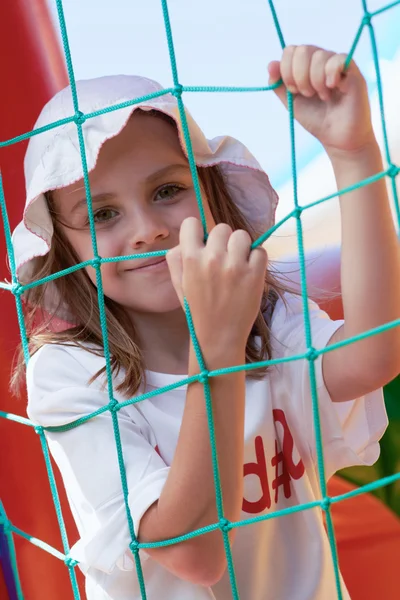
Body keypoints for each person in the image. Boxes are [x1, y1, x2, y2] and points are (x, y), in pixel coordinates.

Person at [11, 46, 399, 600]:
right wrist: (214, 349)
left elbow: (375, 355)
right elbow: (196, 554)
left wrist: (355, 153)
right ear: (69, 252)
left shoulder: (268, 323)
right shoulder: (69, 376)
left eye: (168, 190)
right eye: (102, 214)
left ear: (213, 195)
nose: (146, 229)